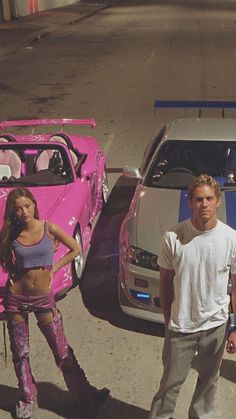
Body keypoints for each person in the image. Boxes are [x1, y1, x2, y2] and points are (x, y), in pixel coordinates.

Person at [0, 187, 109, 419]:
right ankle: (26, 398)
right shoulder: (11, 234)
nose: (24, 211)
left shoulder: (49, 228)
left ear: (33, 204)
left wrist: (54, 270)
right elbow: (6, 258)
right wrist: (10, 273)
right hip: (15, 300)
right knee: (20, 353)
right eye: (18, 208)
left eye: (27, 206)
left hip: (43, 299)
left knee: (61, 352)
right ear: (13, 212)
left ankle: (85, 395)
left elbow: (76, 248)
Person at [149, 174, 236, 419]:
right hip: (182, 326)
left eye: (209, 198)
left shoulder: (231, 238)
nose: (204, 204)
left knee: (209, 382)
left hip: (216, 325)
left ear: (218, 200)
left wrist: (234, 326)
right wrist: (168, 321)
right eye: (199, 199)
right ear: (190, 202)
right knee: (170, 384)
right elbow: (164, 283)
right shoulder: (173, 237)